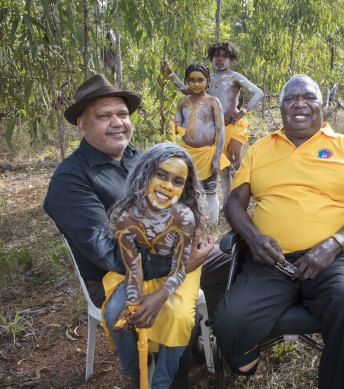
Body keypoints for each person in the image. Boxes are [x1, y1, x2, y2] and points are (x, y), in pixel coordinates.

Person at [43, 74, 230, 387]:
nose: (117, 123)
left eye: (122, 114)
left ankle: (209, 340)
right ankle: (158, 372)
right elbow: (109, 254)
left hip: (171, 253)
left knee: (233, 263)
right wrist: (183, 264)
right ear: (82, 125)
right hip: (117, 277)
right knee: (169, 314)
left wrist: (195, 234)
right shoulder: (71, 181)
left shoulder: (141, 158)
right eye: (104, 116)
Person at [213, 74, 344, 389]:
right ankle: (245, 364)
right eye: (291, 98)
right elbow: (234, 203)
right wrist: (253, 237)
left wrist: (334, 244)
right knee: (230, 322)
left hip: (334, 259)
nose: (300, 104)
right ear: (281, 107)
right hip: (270, 259)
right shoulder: (261, 148)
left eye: (309, 97)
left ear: (321, 106)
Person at [102, 143, 204, 388]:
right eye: (161, 175)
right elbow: (133, 263)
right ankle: (137, 372)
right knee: (115, 314)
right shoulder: (124, 215)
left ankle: (162, 380)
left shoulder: (183, 217)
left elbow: (182, 266)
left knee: (178, 318)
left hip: (180, 271)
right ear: (144, 173)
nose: (168, 186)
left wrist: (159, 297)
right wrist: (134, 302)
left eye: (177, 181)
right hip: (141, 271)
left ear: (185, 186)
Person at [161, 41, 264, 198]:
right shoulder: (208, 79)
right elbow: (185, 90)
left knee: (237, 165)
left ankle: (249, 198)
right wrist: (170, 73)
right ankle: (228, 204)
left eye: (224, 56)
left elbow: (258, 93)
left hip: (232, 126)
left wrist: (242, 112)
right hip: (215, 130)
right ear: (212, 58)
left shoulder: (234, 77)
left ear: (231, 59)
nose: (220, 59)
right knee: (223, 168)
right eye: (217, 56)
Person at [174, 62, 229, 226]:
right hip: (187, 153)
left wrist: (217, 158)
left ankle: (212, 225)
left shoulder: (213, 102)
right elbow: (179, 127)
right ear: (187, 81)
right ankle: (192, 222)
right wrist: (176, 127)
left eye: (200, 80)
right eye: (192, 80)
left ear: (207, 81)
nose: (196, 84)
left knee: (211, 191)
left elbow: (221, 131)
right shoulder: (182, 102)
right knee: (190, 191)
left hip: (207, 154)